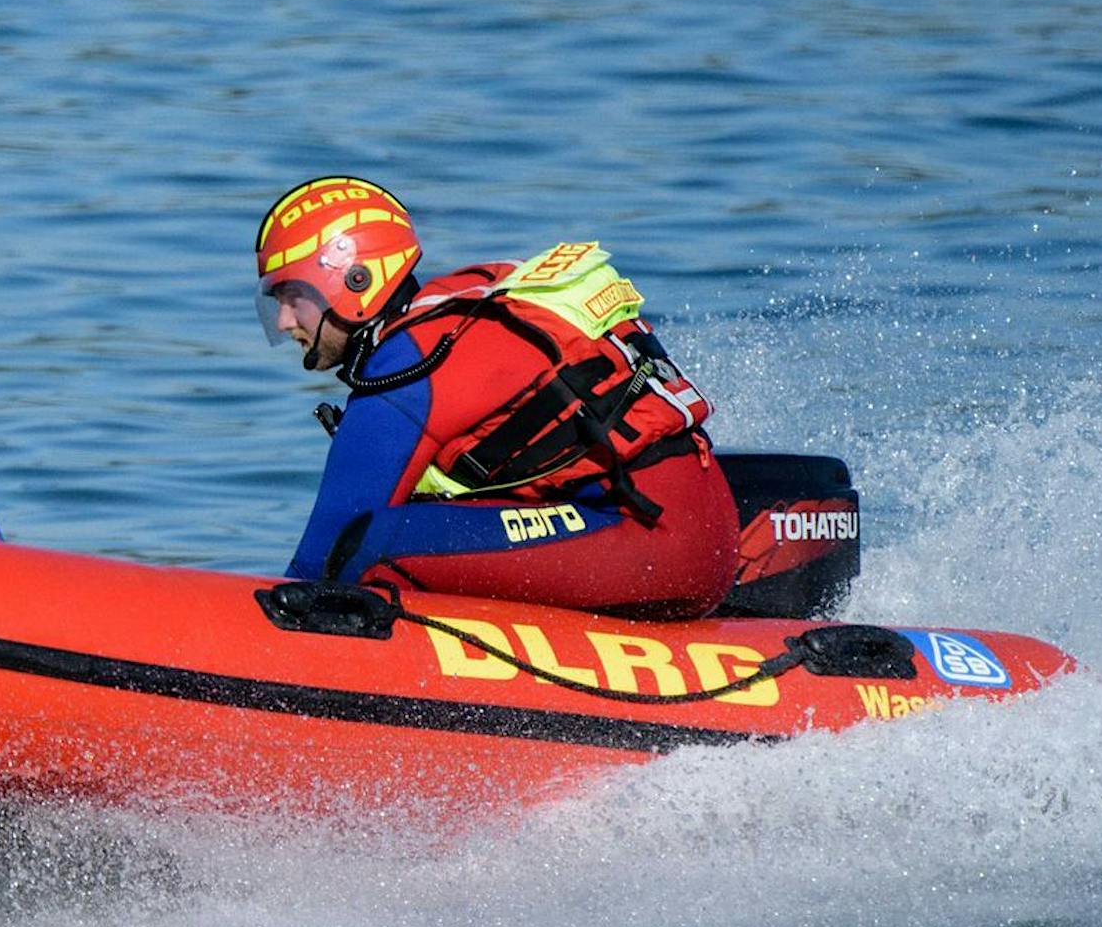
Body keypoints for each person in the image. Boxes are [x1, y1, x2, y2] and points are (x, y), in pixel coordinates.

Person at [253, 176, 738, 616]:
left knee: (368, 542)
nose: (283, 322)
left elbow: (324, 555)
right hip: (691, 532)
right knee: (417, 526)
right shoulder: (462, 306)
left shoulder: (407, 365)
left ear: (354, 281)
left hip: (655, 544)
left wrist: (254, 633)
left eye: (292, 297)